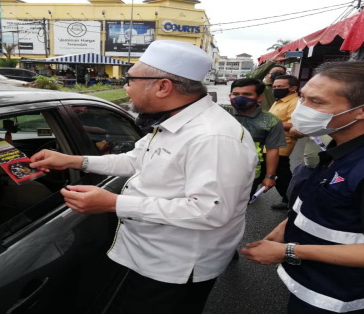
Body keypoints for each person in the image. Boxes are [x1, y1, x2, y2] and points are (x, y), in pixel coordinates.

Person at [29, 40, 257, 314]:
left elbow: (210, 210)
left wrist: (114, 203)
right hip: (150, 253)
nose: (126, 87)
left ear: (163, 86)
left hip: (176, 266)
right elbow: (136, 160)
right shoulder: (173, 119)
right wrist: (75, 160)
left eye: (130, 79)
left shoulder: (213, 137)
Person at [241, 60, 364, 314]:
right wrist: (286, 225)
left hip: (337, 296)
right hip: (314, 280)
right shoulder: (346, 143)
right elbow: (327, 200)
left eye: (317, 102)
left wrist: (288, 250)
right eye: (303, 97)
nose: (302, 108)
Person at [227, 78, 286, 197]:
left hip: (248, 174)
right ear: (230, 95)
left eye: (247, 94)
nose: (240, 97)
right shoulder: (220, 112)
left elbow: (272, 150)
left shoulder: (271, 121)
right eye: (236, 94)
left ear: (259, 97)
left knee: (239, 208)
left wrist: (270, 176)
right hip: (215, 169)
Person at [267, 75, 300, 209]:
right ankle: (289, 200)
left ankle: (291, 201)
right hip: (269, 143)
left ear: (293, 88)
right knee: (278, 174)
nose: (276, 89)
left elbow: (296, 126)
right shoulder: (279, 101)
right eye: (274, 86)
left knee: (281, 174)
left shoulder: (295, 103)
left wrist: (272, 123)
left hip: (281, 144)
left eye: (280, 87)